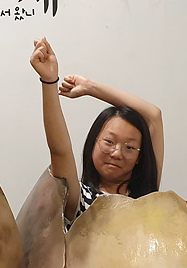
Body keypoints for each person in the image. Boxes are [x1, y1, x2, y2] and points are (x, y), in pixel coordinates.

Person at [29, 37, 163, 228]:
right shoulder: (79, 199)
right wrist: (49, 81)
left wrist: (90, 87)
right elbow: (60, 151)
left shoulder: (146, 200)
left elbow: (154, 116)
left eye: (129, 147)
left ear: (139, 158)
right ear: (94, 142)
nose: (116, 153)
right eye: (109, 142)